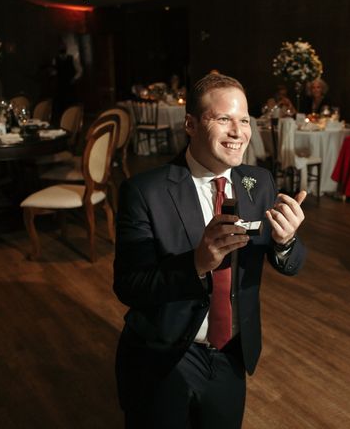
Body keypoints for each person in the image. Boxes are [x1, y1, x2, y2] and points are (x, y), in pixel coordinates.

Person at [113, 73, 308, 428]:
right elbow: (129, 285)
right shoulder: (145, 191)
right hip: (165, 355)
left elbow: (291, 263)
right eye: (223, 119)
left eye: (244, 120)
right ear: (190, 124)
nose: (238, 132)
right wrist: (196, 264)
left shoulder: (258, 182)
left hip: (230, 354)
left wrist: (286, 242)